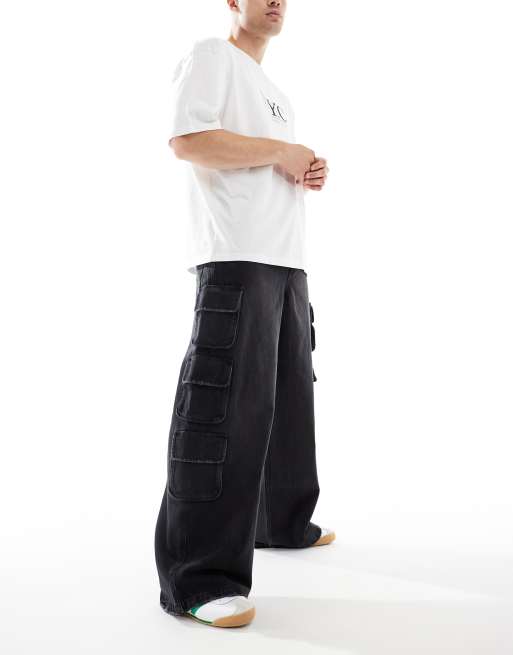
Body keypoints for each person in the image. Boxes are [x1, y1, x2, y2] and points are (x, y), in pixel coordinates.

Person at [154, 0, 333, 628]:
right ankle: (197, 578)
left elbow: (261, 161)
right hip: (235, 254)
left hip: (286, 259)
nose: (276, 1)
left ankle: (280, 521)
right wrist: (281, 153)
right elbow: (189, 140)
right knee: (223, 411)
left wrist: (304, 167)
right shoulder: (212, 56)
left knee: (287, 402)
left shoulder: (274, 92)